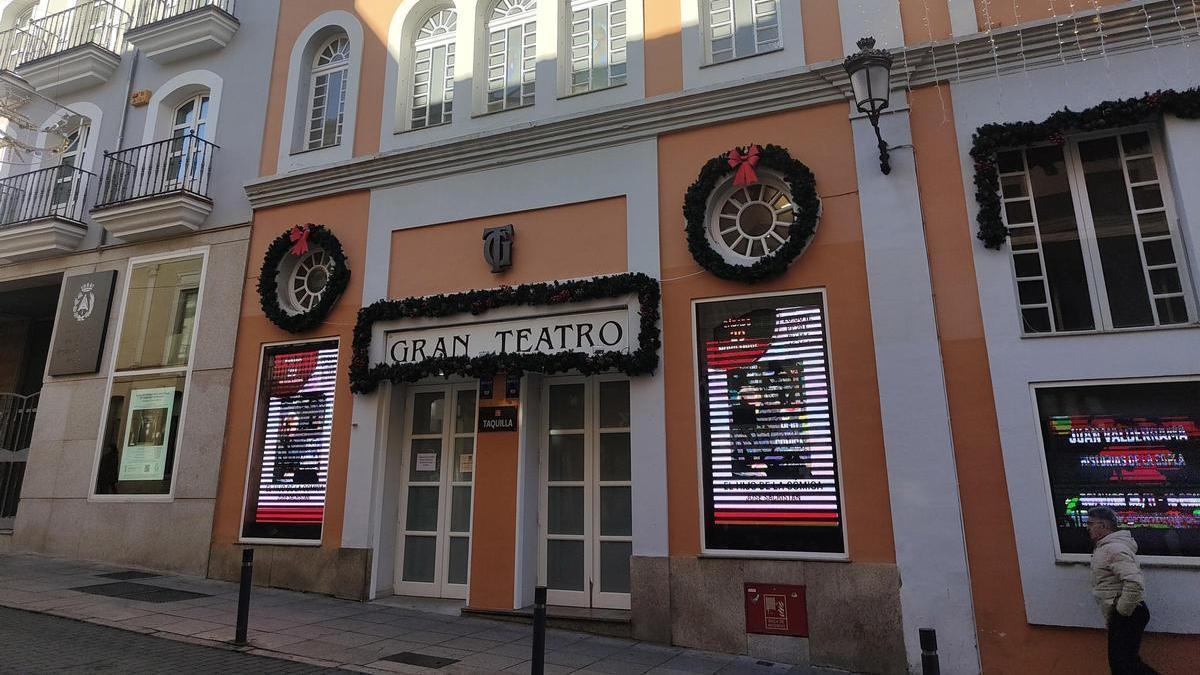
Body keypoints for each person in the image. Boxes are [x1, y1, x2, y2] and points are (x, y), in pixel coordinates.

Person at [1087, 506, 1158, 675]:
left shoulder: (1114, 549)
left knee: (1123, 665)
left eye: (1090, 523)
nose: (1087, 527)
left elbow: (1134, 582)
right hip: (1125, 613)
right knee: (1124, 664)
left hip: (1129, 613)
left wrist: (1121, 611)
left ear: (1103, 526)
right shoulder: (1105, 547)